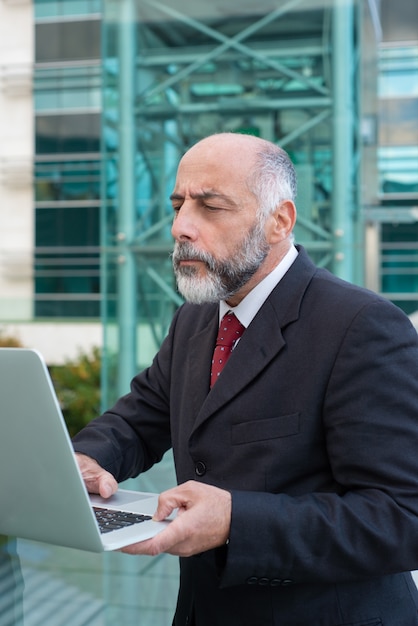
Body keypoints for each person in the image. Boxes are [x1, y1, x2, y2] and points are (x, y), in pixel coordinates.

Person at [73, 132, 418, 625]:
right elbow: (142, 415)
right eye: (178, 205)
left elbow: (403, 517)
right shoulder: (196, 317)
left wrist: (237, 521)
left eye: (210, 207)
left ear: (280, 221)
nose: (181, 227)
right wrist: (86, 459)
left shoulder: (362, 326)